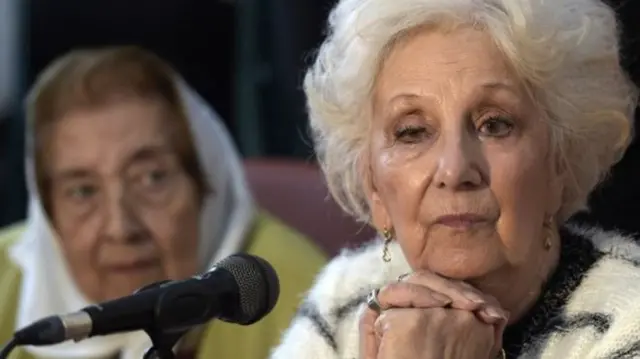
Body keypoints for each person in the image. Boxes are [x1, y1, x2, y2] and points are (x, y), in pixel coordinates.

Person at [269, 0, 640, 358]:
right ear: (374, 187)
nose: (454, 169)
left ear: (559, 163)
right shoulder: (345, 301)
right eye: (412, 131)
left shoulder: (628, 319)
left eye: (494, 125)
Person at [0, 46, 327, 359]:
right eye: (83, 192)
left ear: (206, 185)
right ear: (48, 217)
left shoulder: (304, 299)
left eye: (151, 178)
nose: (120, 227)